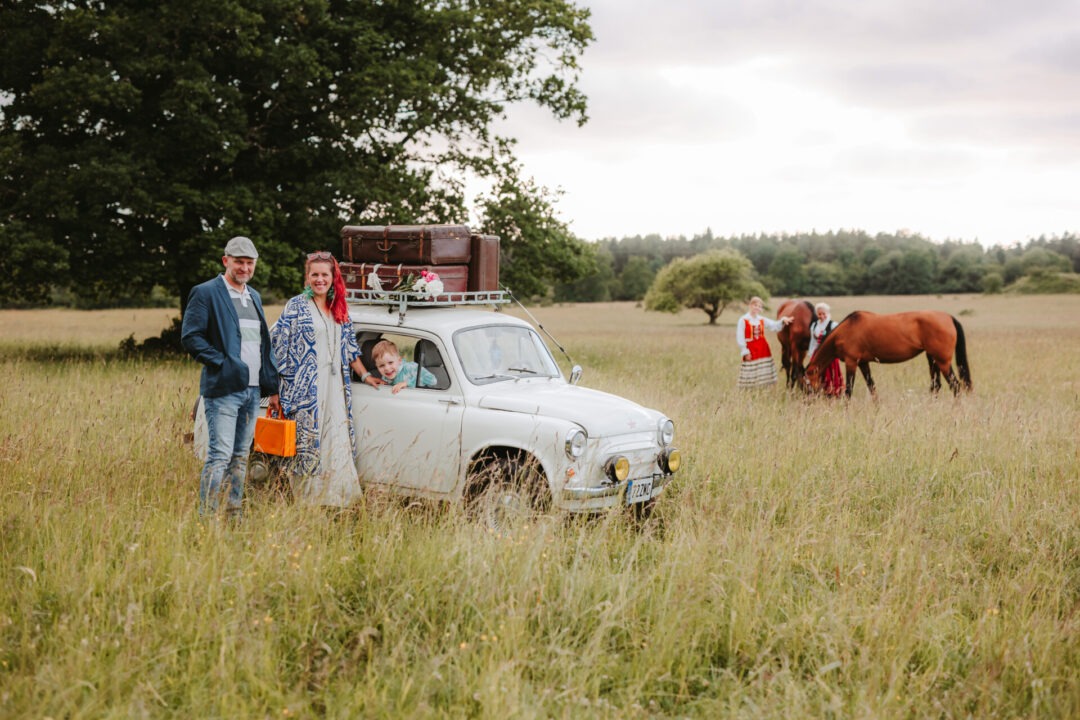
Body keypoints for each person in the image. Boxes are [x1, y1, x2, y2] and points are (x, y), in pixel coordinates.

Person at [270, 251, 382, 507]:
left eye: (324, 275)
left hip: (334, 386)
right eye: (314, 275)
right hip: (304, 387)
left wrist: (365, 375)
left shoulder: (339, 306)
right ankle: (308, 500)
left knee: (335, 435)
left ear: (333, 277)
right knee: (308, 441)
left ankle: (336, 497)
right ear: (307, 277)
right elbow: (277, 345)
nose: (320, 279)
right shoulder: (295, 305)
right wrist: (274, 390)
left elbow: (349, 348)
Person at [181, 236, 281, 519]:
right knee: (219, 456)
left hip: (251, 392)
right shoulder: (206, 292)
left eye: (250, 263)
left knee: (240, 457)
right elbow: (191, 337)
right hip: (223, 388)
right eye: (239, 262)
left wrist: (271, 388)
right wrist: (223, 364)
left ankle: (233, 512)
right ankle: (207, 517)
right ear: (226, 261)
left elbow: (263, 345)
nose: (245, 268)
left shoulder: (254, 296)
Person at [735, 296, 792, 389]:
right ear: (750, 305)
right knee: (751, 369)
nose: (757, 308)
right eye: (755, 305)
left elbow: (774, 325)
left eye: (759, 306)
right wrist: (745, 351)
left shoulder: (761, 319)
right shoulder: (743, 319)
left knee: (763, 369)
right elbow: (740, 336)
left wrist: (783, 320)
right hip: (751, 347)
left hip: (762, 347)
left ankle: (763, 388)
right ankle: (750, 389)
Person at [370, 339, 438, 394]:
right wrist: (384, 386)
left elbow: (433, 380)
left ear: (399, 360)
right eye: (381, 365)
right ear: (377, 367)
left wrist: (407, 383)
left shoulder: (410, 368)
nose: (387, 368)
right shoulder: (385, 376)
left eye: (390, 362)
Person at [808, 302, 845, 397]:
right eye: (819, 314)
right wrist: (812, 354)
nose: (822, 316)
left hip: (830, 355)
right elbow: (813, 341)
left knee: (831, 373)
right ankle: (817, 390)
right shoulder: (814, 325)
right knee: (816, 372)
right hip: (818, 353)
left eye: (824, 313)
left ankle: (833, 391)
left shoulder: (833, 325)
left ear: (827, 313)